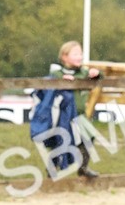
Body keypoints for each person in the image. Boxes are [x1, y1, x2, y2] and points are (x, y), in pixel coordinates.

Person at [29, 40, 100, 178]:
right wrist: (62, 80)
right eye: (75, 54)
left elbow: (99, 77)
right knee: (60, 141)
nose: (79, 57)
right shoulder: (56, 73)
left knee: (89, 136)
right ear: (64, 56)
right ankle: (52, 167)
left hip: (79, 115)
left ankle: (83, 167)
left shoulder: (83, 73)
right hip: (60, 115)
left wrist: (96, 74)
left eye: (81, 54)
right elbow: (47, 83)